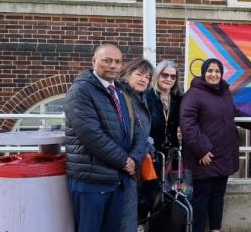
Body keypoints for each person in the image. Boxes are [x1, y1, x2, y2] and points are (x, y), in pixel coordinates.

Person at [64, 43, 150, 232]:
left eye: (118, 62)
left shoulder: (120, 91)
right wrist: (124, 161)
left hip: (116, 180)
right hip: (91, 182)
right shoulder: (80, 91)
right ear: (94, 62)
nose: (113, 66)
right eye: (107, 61)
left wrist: (135, 158)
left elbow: (138, 130)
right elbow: (91, 135)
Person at [180, 58, 251, 232]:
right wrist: (202, 150)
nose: (213, 74)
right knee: (201, 198)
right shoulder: (193, 94)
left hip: (224, 154)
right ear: (203, 72)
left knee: (218, 196)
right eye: (210, 71)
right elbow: (188, 125)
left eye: (217, 71)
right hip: (205, 157)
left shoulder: (224, 92)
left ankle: (215, 229)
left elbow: (233, 113)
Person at [138, 60, 183, 223]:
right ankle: (140, 225)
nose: (169, 79)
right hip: (151, 153)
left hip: (172, 155)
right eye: (165, 75)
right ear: (157, 75)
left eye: (173, 76)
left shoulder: (177, 98)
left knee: (168, 195)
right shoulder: (147, 96)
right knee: (146, 194)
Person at [116, 58, 155, 230]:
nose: (143, 79)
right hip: (124, 165)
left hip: (135, 162)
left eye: (147, 77)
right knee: (123, 217)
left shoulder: (140, 97)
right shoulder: (121, 97)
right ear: (126, 75)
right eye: (139, 74)